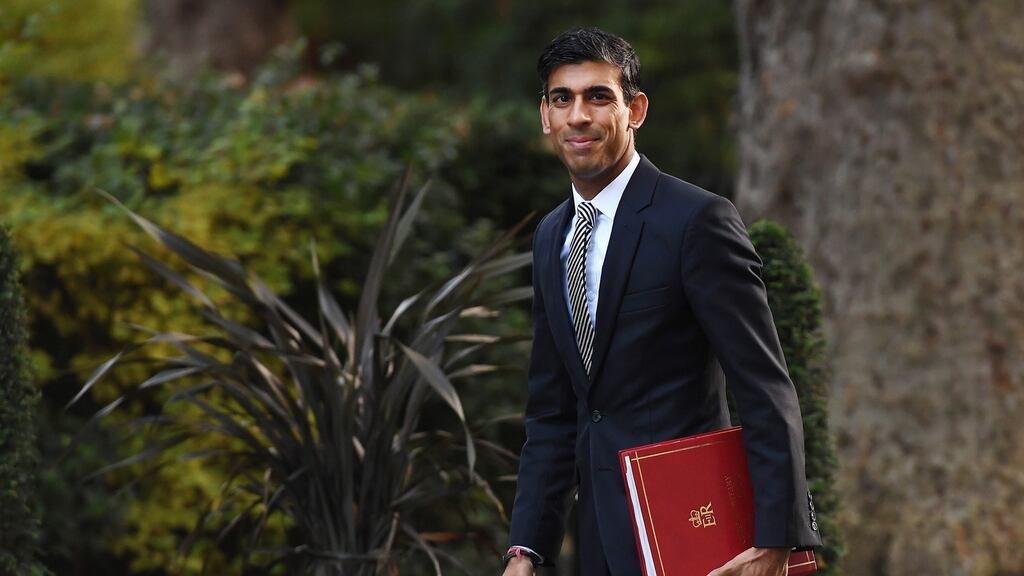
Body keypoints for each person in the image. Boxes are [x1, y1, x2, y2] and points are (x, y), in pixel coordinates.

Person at [501, 28, 821, 576]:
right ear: (545, 116)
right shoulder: (551, 236)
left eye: (598, 96)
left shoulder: (697, 221)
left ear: (635, 110)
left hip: (696, 534)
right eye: (563, 99)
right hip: (599, 543)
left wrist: (778, 536)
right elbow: (554, 412)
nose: (579, 116)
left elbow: (763, 386)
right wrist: (526, 548)